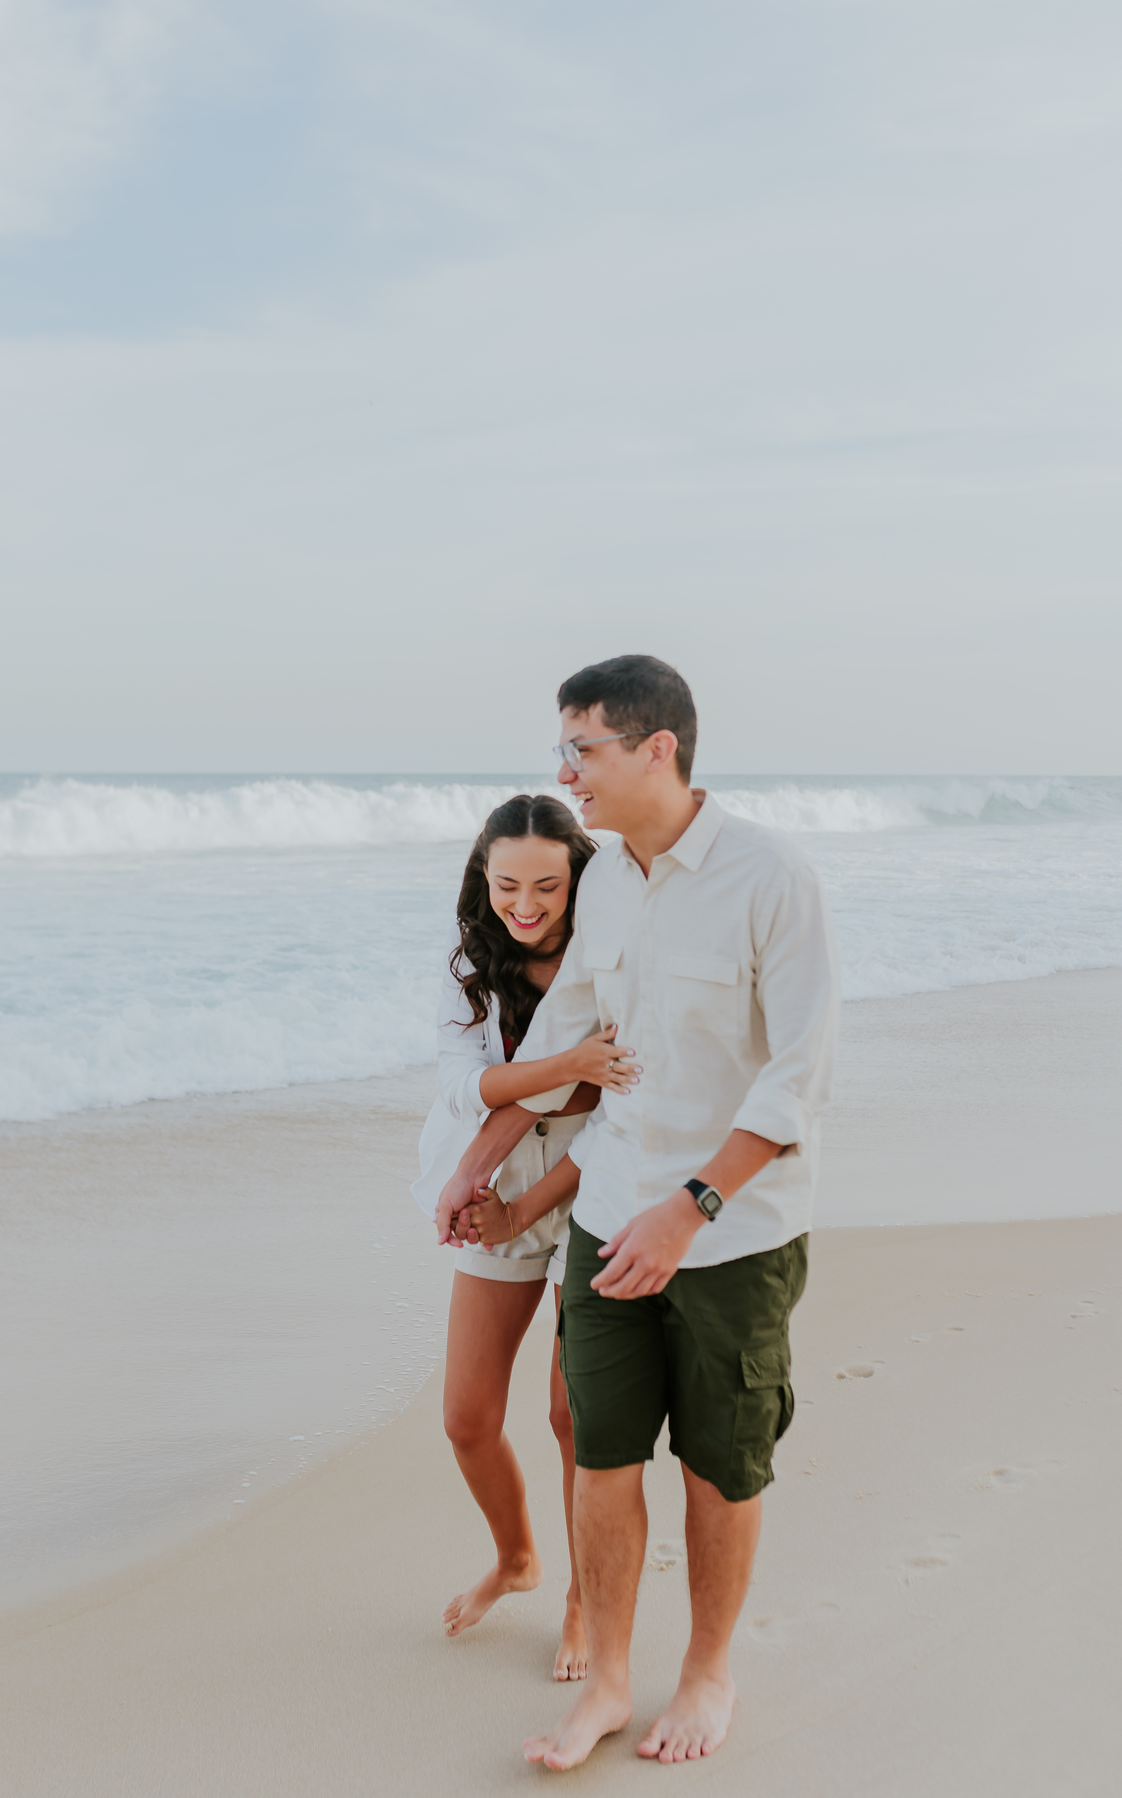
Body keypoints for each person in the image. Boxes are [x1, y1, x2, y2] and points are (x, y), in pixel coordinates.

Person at [436, 655, 840, 1770]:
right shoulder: (605, 877)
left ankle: (706, 1672)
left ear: (656, 748)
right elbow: (568, 1053)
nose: (567, 772)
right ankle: (608, 1680)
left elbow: (796, 1077)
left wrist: (695, 1208)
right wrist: (479, 1166)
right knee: (602, 1452)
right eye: (563, 749)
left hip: (735, 1234)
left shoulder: (771, 876)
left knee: (719, 1459)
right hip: (608, 1215)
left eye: (584, 749)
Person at [412, 793, 642, 1680]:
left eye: (548, 885)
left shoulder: (613, 960)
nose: (527, 905)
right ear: (484, 878)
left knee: (570, 1415)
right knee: (468, 1418)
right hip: (495, 1183)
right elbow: (470, 1089)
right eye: (507, 884)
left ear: (579, 880)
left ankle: (586, 1598)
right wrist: (573, 1069)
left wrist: (573, 1086)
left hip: (595, 1185)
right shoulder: (472, 958)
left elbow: (619, 1105)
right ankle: (516, 1559)